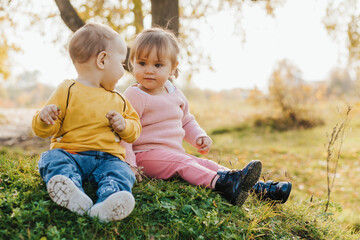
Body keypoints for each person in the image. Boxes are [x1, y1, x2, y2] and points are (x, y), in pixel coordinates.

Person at [121, 28, 263, 207]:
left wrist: (198, 136)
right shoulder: (135, 95)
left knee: (203, 163)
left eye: (157, 65)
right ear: (132, 63)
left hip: (172, 155)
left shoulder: (174, 93)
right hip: (144, 156)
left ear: (172, 68)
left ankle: (258, 188)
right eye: (142, 63)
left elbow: (186, 120)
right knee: (185, 163)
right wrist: (130, 164)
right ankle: (223, 184)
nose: (149, 70)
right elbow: (124, 132)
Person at [32, 23, 141, 222]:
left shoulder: (120, 99)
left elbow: (135, 128)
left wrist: (125, 126)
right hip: (71, 154)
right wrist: (44, 118)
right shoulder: (68, 89)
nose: (123, 70)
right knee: (52, 158)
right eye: (122, 63)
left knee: (121, 170)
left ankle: (110, 197)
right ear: (102, 60)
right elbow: (48, 128)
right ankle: (71, 188)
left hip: (108, 159)